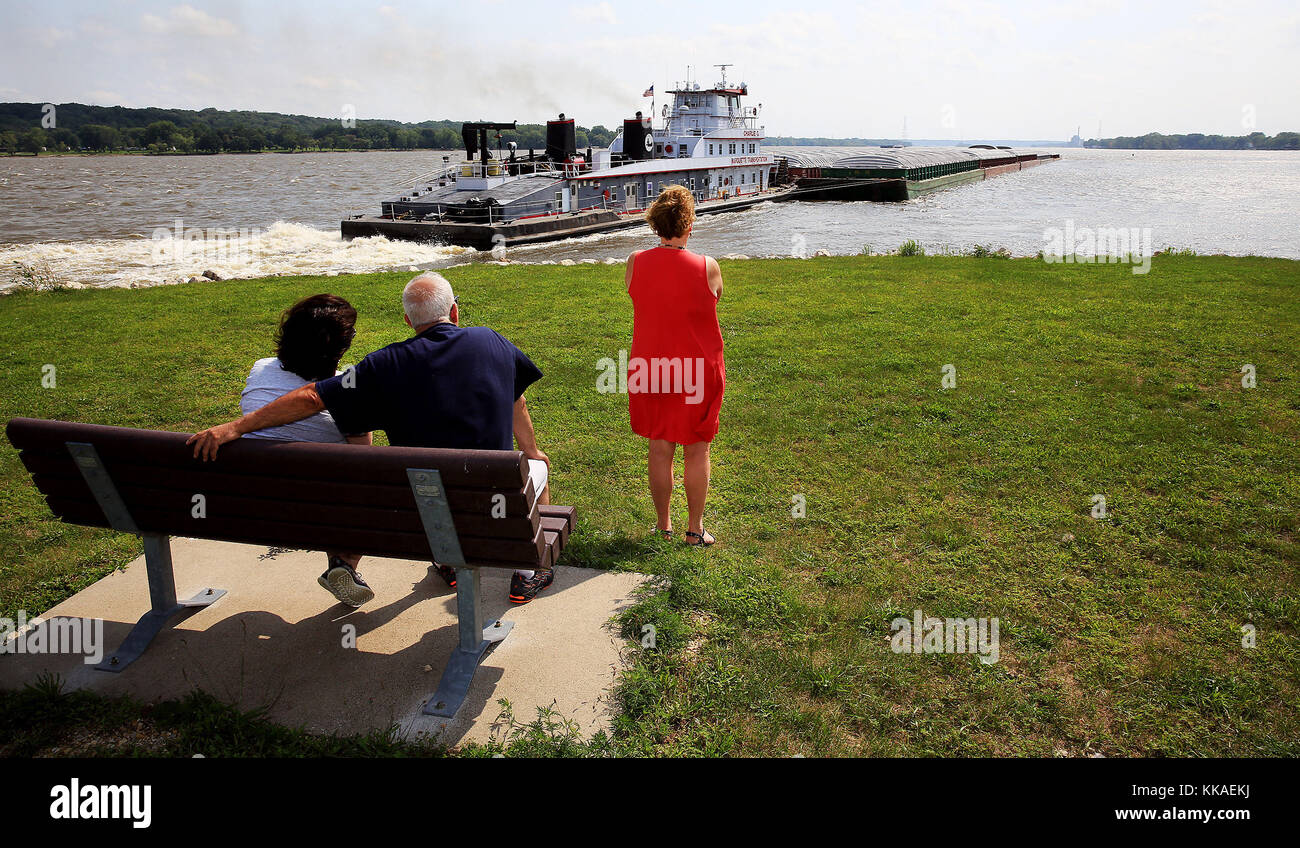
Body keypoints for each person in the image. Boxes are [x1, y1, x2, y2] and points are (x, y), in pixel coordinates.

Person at [187, 273, 554, 605]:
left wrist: (236, 427)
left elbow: (313, 397)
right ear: (454, 312)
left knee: (429, 490)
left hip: (423, 514)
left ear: (409, 321)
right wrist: (532, 451)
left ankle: (447, 560)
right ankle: (531, 568)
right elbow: (516, 402)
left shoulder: (383, 365)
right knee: (535, 467)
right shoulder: (491, 341)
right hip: (495, 504)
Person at [239, 294, 375, 606]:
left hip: (254, 505)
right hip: (323, 508)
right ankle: (345, 564)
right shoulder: (347, 389)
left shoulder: (260, 370)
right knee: (363, 484)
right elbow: (363, 455)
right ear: (338, 347)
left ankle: (343, 566)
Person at [624, 185, 725, 546]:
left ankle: (663, 525)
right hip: (698, 369)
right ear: (689, 225)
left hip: (652, 367)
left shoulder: (636, 262)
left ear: (655, 224)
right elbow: (716, 296)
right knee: (697, 448)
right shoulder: (706, 266)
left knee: (660, 446)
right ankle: (695, 530)